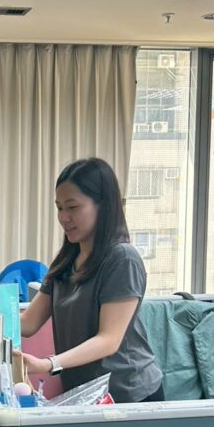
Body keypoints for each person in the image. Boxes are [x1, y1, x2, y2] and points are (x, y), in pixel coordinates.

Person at [20, 158, 164, 403]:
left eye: (72, 207)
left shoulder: (122, 259)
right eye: (59, 208)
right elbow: (28, 322)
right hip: (85, 393)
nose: (63, 217)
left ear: (103, 206)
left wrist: (48, 363)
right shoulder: (66, 261)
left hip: (127, 394)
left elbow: (108, 340)